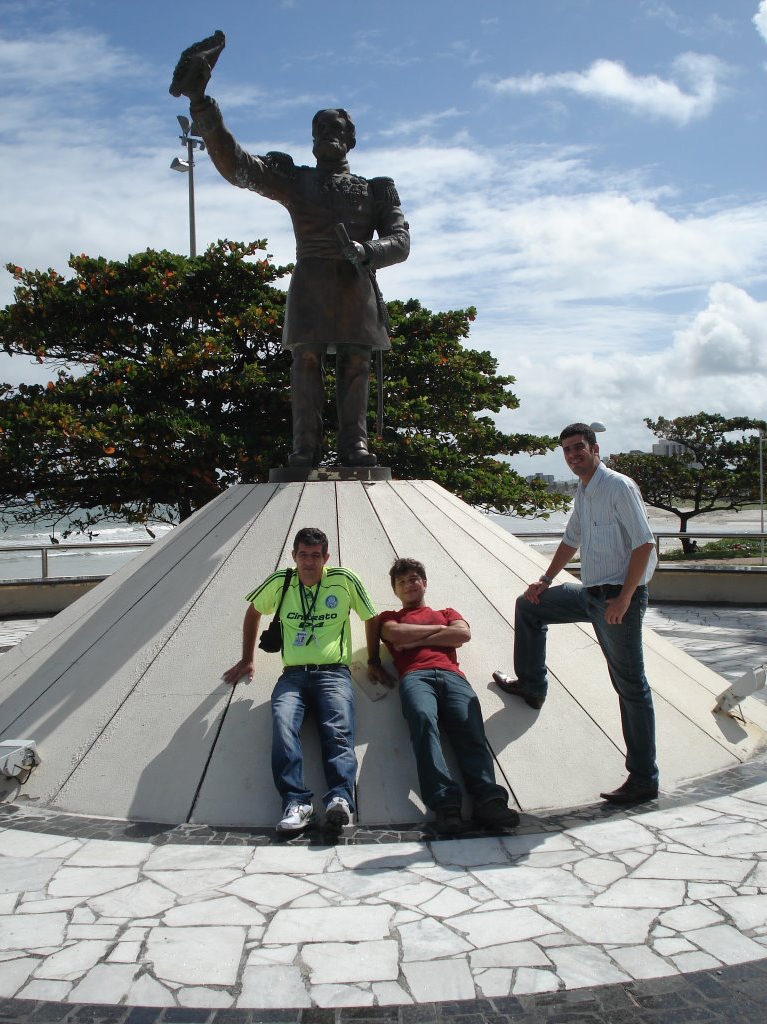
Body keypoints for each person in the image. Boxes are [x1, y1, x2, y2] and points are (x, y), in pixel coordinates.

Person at [172, 35, 410, 468]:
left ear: (350, 140)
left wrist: (367, 249)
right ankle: (305, 448)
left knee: (355, 364)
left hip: (356, 284)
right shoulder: (296, 180)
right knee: (306, 362)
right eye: (320, 130)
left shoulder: (376, 189)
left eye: (335, 130)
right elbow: (237, 166)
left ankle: (353, 447)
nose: (327, 136)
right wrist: (202, 106)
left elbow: (401, 240)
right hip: (311, 284)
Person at [493, 423, 659, 805]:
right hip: (589, 594)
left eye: (579, 447)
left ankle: (644, 778)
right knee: (529, 606)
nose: (573, 455)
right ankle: (533, 686)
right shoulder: (584, 492)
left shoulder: (618, 486)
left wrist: (624, 599)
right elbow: (571, 540)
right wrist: (545, 580)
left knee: (631, 687)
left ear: (595, 448)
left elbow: (644, 544)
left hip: (619, 600)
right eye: (567, 450)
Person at [223, 527, 379, 833]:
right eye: (303, 555)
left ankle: (340, 800)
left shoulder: (343, 580)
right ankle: (297, 803)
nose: (309, 562)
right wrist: (247, 658)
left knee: (338, 732)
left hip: (334, 673)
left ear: (326, 558)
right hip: (293, 676)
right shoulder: (281, 582)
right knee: (283, 726)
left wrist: (373, 659)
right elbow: (253, 611)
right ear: (294, 556)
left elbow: (370, 616)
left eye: (315, 556)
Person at [368, 557, 520, 834]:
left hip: (453, 677)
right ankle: (445, 805)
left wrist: (416, 641)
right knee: (423, 723)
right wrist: (441, 632)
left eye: (413, 579)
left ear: (424, 583)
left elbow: (463, 633)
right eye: (401, 582)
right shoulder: (389, 617)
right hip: (415, 676)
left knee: (471, 731)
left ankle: (488, 800)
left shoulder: (448, 611)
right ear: (394, 590)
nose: (408, 585)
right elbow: (396, 633)